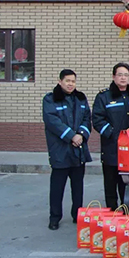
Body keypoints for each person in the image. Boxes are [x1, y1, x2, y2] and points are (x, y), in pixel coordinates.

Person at [43, 69, 92, 230]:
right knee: (57, 187)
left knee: (78, 187)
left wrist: (81, 135)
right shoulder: (50, 99)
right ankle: (54, 217)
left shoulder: (80, 98)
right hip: (60, 150)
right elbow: (52, 121)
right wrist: (71, 136)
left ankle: (77, 215)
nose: (70, 84)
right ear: (60, 81)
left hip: (78, 150)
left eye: (73, 81)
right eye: (67, 81)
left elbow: (87, 119)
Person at [93, 62, 129, 210]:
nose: (123, 78)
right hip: (111, 148)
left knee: (127, 186)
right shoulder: (104, 97)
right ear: (113, 76)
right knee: (110, 186)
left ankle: (126, 214)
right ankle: (112, 214)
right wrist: (112, 134)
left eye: (126, 75)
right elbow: (97, 119)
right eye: (120, 75)